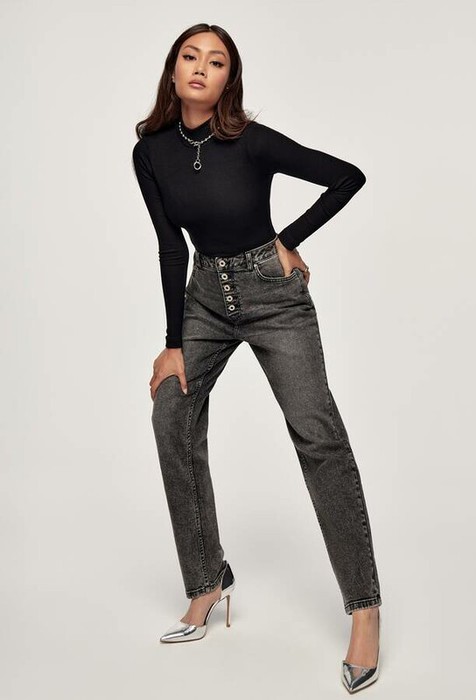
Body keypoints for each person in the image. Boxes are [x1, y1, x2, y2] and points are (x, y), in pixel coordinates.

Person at [132, 22, 382, 694]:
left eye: (216, 62)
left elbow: (346, 177)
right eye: (190, 56)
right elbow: (170, 246)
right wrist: (174, 343)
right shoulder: (150, 151)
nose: (200, 68)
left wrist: (287, 240)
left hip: (273, 297)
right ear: (174, 69)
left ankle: (363, 608)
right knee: (170, 411)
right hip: (204, 297)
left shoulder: (250, 140)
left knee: (317, 436)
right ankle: (206, 580)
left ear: (228, 79)